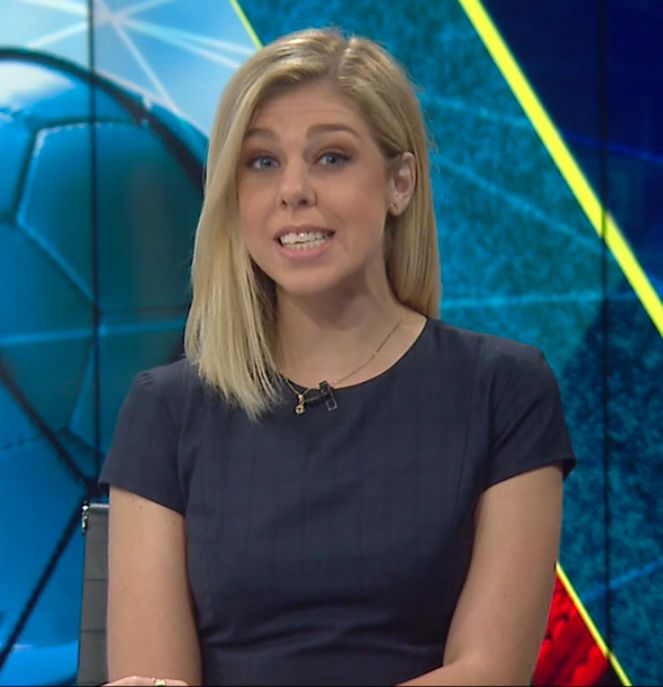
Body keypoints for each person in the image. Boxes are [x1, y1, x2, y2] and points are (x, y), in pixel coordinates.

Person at [100, 27, 576, 687]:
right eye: (261, 161)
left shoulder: (503, 390)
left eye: (330, 157)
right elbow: (151, 678)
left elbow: (488, 673)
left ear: (399, 183)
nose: (293, 190)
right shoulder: (167, 409)